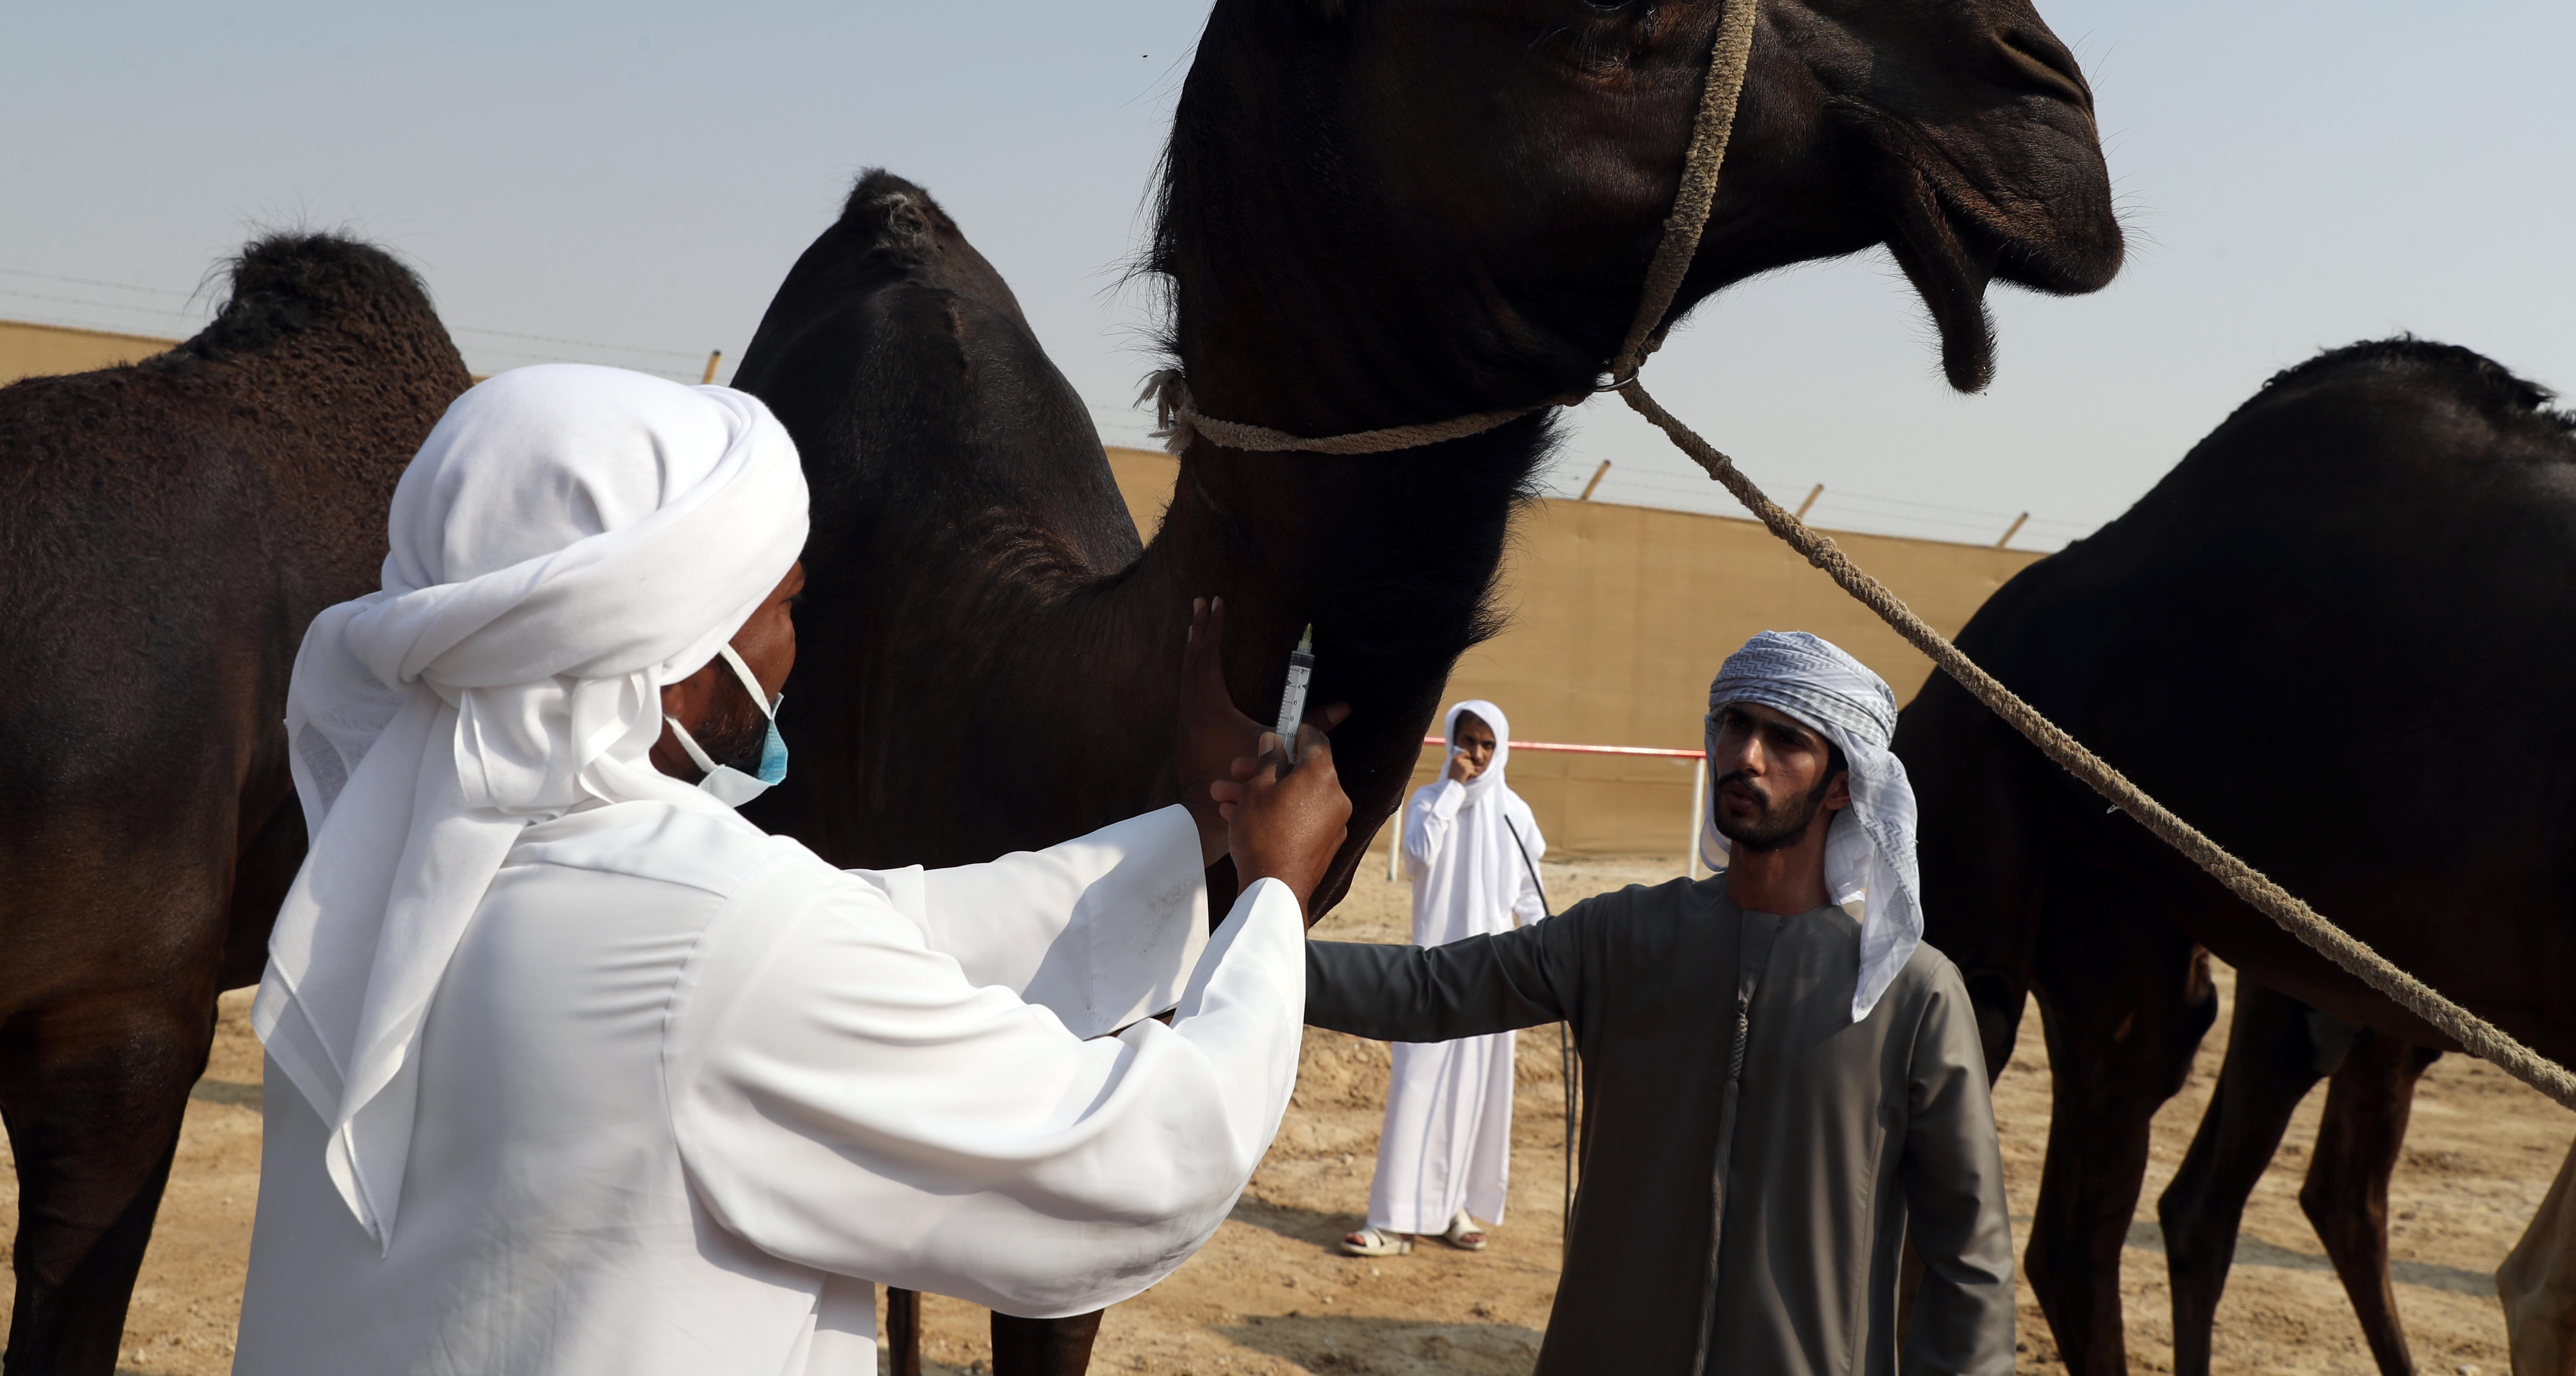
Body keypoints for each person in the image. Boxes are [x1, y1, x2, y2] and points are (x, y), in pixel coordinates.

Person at [231, 364, 1350, 1376]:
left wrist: (1191, 835)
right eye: (783, 608)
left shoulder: (382, 883)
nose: (788, 652)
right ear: (670, 662)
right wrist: (1272, 897)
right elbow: (1138, 1153)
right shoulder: (718, 940)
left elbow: (878, 928)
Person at [1305, 631, 2013, 1376]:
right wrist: (1238, 957)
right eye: (1736, 724)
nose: (1746, 756)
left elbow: (1970, 1261)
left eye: (1786, 739)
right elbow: (1428, 991)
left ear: (1843, 783)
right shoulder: (1623, 935)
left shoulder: (1909, 995)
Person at [1341, 700, 1546, 1258]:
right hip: (1434, 975)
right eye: (1466, 741)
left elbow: (1531, 899)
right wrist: (1453, 790)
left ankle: (1452, 1208)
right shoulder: (1431, 802)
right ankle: (1392, 1221)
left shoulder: (1515, 815)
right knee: (1418, 1088)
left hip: (1497, 977)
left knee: (1474, 1098)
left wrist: (1548, 960)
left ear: (1500, 748)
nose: (1474, 755)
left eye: (1485, 745)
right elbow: (1416, 857)